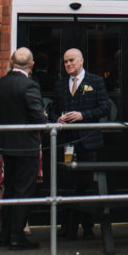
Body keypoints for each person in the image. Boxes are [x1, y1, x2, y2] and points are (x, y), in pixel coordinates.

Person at [47, 47, 111, 240]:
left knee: (88, 185)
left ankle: (88, 227)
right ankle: (67, 226)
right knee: (66, 184)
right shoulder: (59, 85)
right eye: (65, 61)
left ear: (81, 61)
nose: (68, 64)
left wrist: (84, 115)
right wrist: (56, 118)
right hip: (66, 141)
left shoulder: (95, 81)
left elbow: (105, 107)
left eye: (72, 61)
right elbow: (52, 109)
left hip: (88, 141)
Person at [0, 47, 46, 250]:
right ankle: (16, 237)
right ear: (31, 65)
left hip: (6, 145)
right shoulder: (29, 86)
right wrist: (45, 118)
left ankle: (5, 235)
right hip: (26, 147)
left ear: (12, 61)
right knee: (23, 191)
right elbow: (37, 117)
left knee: (9, 190)